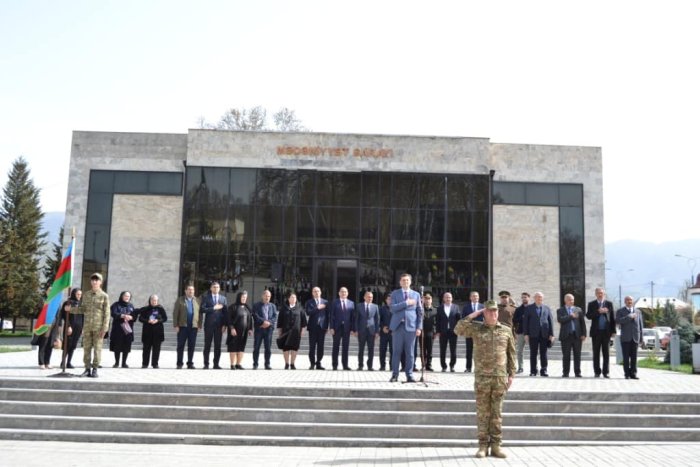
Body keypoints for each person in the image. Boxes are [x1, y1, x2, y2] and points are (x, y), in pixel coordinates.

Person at [455, 300, 515, 459]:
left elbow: (512, 354)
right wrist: (475, 314)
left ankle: (496, 445)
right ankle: (482, 446)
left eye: (495, 311)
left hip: (500, 378)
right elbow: (458, 329)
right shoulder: (476, 328)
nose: (493, 314)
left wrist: (512, 375)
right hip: (482, 378)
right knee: (483, 413)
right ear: (484, 314)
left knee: (497, 414)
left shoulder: (506, 330)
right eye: (489, 312)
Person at [72, 272, 110, 378]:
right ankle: (87, 369)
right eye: (93, 280)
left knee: (97, 349)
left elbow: (107, 313)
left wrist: (105, 328)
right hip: (88, 327)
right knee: (86, 348)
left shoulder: (104, 296)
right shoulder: (86, 295)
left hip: (99, 328)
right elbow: (82, 309)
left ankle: (95, 369)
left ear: (100, 282)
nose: (94, 281)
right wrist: (70, 309)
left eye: (97, 280)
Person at [389, 273, 423, 383]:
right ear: (400, 282)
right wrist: (406, 303)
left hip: (411, 327)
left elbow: (419, 312)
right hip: (398, 327)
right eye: (403, 280)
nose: (405, 282)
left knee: (410, 352)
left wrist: (419, 327)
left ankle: (409, 375)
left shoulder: (416, 295)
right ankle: (395, 375)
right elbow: (393, 308)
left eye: (407, 280)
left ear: (410, 282)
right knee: (396, 352)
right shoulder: (395, 294)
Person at [522, 291, 554, 377]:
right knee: (533, 353)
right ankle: (533, 371)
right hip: (533, 334)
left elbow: (550, 322)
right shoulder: (529, 308)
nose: (539, 298)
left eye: (540, 297)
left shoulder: (547, 308)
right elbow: (525, 322)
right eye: (537, 297)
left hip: (544, 334)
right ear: (534, 298)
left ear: (542, 298)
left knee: (544, 353)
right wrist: (526, 334)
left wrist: (552, 334)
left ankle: (544, 370)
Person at [586, 287, 616, 378]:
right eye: (598, 293)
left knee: (606, 353)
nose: (600, 294)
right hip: (596, 332)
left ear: (604, 294)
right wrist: (598, 311)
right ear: (596, 294)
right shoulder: (592, 304)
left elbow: (612, 318)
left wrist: (613, 331)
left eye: (602, 293)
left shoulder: (609, 304)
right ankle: (597, 372)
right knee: (596, 353)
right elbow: (588, 316)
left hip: (606, 332)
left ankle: (606, 372)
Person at [556, 293, 587, 378]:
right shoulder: (560, 310)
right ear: (565, 300)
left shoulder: (578, 309)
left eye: (572, 299)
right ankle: (565, 373)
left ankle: (577, 372)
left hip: (577, 336)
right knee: (566, 355)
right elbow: (560, 319)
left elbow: (582, 323)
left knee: (577, 355)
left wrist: (584, 334)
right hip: (566, 336)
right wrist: (570, 316)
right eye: (569, 299)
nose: (571, 301)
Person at [277, 292, 307, 369]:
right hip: (285, 331)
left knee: (294, 348)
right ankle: (286, 364)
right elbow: (280, 321)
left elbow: (303, 321)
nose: (293, 299)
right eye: (292, 297)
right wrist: (279, 331)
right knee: (285, 348)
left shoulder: (300, 308)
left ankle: (292, 364)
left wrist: (303, 330)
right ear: (288, 299)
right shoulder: (284, 308)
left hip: (296, 332)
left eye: (294, 297)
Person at [173, 284, 201, 369]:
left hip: (193, 327)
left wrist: (199, 325)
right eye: (189, 290)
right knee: (180, 345)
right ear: (185, 291)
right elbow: (175, 313)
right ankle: (179, 363)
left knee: (191, 346)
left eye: (192, 290)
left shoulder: (197, 300)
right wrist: (176, 325)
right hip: (182, 327)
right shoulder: (180, 300)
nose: (191, 291)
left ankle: (190, 363)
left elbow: (200, 314)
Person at [201, 281, 227, 369]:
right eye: (214, 287)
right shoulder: (206, 298)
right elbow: (202, 309)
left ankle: (216, 364)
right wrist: (213, 308)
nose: (216, 288)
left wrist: (224, 325)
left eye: (217, 287)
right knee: (207, 345)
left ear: (219, 289)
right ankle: (206, 364)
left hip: (219, 326)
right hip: (209, 325)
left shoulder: (223, 299)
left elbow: (225, 313)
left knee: (218, 346)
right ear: (211, 288)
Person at [616, 296, 644, 380]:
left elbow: (640, 325)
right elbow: (618, 321)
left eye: (631, 300)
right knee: (626, 357)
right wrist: (629, 317)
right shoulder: (620, 311)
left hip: (635, 337)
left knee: (634, 357)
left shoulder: (638, 311)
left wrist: (641, 338)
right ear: (625, 301)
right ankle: (626, 374)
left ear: (633, 301)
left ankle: (633, 374)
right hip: (625, 338)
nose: (629, 301)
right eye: (628, 300)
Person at [138, 294, 167, 369]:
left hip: (158, 332)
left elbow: (165, 318)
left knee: (156, 349)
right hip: (147, 332)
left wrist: (158, 320)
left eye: (155, 300)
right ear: (150, 301)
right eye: (153, 300)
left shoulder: (160, 309)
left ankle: (155, 364)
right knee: (146, 349)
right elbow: (140, 318)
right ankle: (145, 364)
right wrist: (148, 320)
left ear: (157, 301)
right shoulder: (145, 309)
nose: (154, 302)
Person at [109, 291, 137, 368]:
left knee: (126, 346)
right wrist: (122, 316)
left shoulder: (131, 306)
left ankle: (124, 363)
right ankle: (116, 363)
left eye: (128, 296)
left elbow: (134, 316)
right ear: (122, 296)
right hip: (118, 329)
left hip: (127, 329)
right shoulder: (116, 304)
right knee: (117, 346)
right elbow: (113, 313)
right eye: (125, 296)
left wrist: (131, 317)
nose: (127, 297)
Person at [226, 291, 253, 370]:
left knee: (241, 347)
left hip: (244, 332)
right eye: (242, 297)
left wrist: (250, 329)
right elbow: (229, 319)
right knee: (233, 347)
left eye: (245, 298)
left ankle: (238, 364)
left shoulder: (247, 307)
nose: (244, 299)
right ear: (239, 297)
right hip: (234, 331)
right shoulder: (232, 307)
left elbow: (250, 319)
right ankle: (232, 365)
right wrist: (232, 328)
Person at [329, 287, 355, 371]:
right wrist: (331, 327)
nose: (343, 293)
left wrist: (352, 329)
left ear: (347, 293)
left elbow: (352, 317)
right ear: (339, 293)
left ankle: (345, 365)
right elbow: (331, 316)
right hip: (336, 328)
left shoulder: (351, 303)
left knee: (345, 347)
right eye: (342, 292)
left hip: (347, 328)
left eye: (345, 292)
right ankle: (334, 365)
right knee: (335, 347)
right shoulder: (334, 302)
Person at [353, 290, 380, 371]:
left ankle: (370, 366)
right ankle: (360, 365)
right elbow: (356, 319)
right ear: (364, 297)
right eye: (368, 297)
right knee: (361, 349)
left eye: (371, 297)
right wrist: (356, 330)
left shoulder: (375, 306)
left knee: (371, 349)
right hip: (361, 331)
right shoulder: (359, 306)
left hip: (371, 331)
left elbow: (377, 320)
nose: (370, 298)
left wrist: (377, 332)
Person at [252, 289, 278, 370]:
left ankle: (267, 364)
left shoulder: (273, 306)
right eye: (266, 296)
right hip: (259, 329)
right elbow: (255, 315)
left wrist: (268, 323)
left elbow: (274, 317)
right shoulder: (256, 305)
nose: (267, 297)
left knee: (268, 348)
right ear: (262, 296)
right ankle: (255, 364)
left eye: (269, 296)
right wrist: (263, 322)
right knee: (256, 347)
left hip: (269, 330)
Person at [435, 291, 461, 372]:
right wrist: (438, 331)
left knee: (453, 350)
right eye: (446, 297)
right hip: (443, 332)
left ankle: (452, 366)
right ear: (443, 299)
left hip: (453, 332)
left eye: (449, 297)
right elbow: (438, 321)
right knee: (442, 350)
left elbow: (458, 320)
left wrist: (459, 330)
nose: (448, 299)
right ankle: (443, 366)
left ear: (452, 298)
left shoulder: (456, 307)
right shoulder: (439, 308)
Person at [305, 286, 329, 370]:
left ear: (321, 292)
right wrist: (317, 308)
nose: (316, 292)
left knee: (320, 346)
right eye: (314, 291)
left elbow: (327, 315)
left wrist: (326, 326)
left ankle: (318, 363)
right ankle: (312, 363)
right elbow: (308, 312)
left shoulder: (325, 302)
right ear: (312, 293)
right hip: (312, 327)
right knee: (312, 346)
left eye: (318, 291)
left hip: (322, 328)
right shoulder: (309, 302)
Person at [60, 288, 83, 369]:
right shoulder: (68, 303)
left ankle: (69, 362)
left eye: (80, 294)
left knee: (73, 345)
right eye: (77, 294)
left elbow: (83, 316)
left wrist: (82, 328)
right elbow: (64, 316)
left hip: (78, 327)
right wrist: (68, 326)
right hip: (70, 327)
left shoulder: (81, 304)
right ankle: (63, 362)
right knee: (67, 345)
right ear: (73, 294)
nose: (79, 296)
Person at [461, 291, 484, 373]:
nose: (475, 297)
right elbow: (463, 319)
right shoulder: (466, 307)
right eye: (473, 296)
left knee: (479, 351)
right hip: (469, 332)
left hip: (479, 332)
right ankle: (468, 368)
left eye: (477, 296)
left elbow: (485, 319)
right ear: (470, 297)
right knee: (469, 351)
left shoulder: (483, 307)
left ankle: (479, 368)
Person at [512, 292, 530, 374]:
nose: (524, 299)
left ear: (528, 298)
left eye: (525, 297)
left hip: (531, 333)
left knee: (534, 351)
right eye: (522, 297)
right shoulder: (518, 309)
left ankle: (534, 368)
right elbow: (514, 320)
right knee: (519, 351)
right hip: (520, 332)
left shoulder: (532, 308)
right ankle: (520, 367)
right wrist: (522, 318)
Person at [419, 292, 437, 372]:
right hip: (422, 332)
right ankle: (423, 365)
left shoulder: (435, 310)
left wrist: (435, 331)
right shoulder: (421, 309)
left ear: (431, 300)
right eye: (425, 299)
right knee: (422, 350)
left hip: (430, 332)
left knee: (430, 350)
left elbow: (437, 322)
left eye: (429, 299)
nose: (427, 300)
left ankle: (428, 365)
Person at [378, 293, 393, 371]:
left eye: (391, 299)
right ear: (386, 300)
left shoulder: (395, 309)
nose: (389, 300)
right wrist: (382, 327)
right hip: (384, 333)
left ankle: (392, 366)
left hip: (393, 333)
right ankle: (382, 366)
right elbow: (379, 320)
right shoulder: (381, 309)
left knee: (392, 351)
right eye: (388, 299)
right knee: (382, 350)